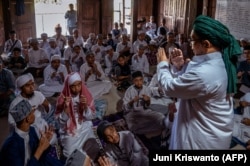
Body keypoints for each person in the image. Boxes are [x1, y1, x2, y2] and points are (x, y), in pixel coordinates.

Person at [156, 15, 241, 149]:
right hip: (204, 126)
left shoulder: (206, 73)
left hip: (201, 139)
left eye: (192, 40)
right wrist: (179, 67)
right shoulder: (215, 61)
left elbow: (170, 87)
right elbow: (189, 84)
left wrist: (162, 64)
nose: (190, 44)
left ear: (206, 44)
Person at [0, 99, 64, 165]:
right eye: (32, 113)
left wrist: (46, 142)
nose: (34, 115)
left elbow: (41, 157)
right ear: (28, 118)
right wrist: (40, 149)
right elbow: (38, 154)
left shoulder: (32, 131)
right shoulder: (12, 146)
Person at [55, 72, 96, 158]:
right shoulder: (62, 99)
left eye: (79, 85)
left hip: (84, 127)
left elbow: (91, 117)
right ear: (68, 87)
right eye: (73, 86)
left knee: (94, 148)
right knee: (69, 155)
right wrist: (66, 110)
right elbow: (60, 123)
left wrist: (85, 106)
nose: (77, 88)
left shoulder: (85, 95)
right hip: (69, 131)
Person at [122, 71, 165, 136]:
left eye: (140, 80)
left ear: (143, 79)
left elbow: (147, 106)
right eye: (136, 80)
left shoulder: (146, 89)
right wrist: (132, 101)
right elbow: (124, 108)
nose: (139, 82)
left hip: (143, 111)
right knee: (131, 126)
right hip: (132, 113)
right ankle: (145, 128)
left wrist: (148, 100)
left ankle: (144, 128)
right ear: (133, 81)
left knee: (161, 117)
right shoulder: (129, 90)